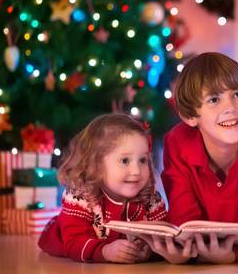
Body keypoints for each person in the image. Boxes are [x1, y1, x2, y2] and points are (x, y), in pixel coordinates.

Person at [159, 52, 238, 263]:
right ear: (190, 116)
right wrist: (186, 251)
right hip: (200, 261)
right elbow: (183, 216)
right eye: (214, 99)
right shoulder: (177, 142)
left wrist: (235, 256)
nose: (230, 107)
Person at [37, 113, 190, 264]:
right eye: (125, 160)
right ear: (95, 165)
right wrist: (105, 251)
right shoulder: (81, 195)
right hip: (68, 248)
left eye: (142, 160)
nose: (136, 170)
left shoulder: (150, 197)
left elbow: (163, 235)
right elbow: (74, 242)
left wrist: (150, 251)